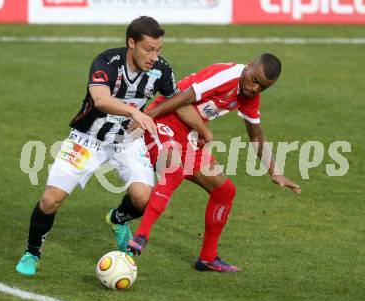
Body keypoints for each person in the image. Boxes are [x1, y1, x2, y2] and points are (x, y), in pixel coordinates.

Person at [15, 16, 178, 276]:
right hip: (87, 140)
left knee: (143, 198)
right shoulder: (107, 62)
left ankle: (117, 219)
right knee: (50, 200)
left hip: (127, 142)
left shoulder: (161, 70)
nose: (154, 56)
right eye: (148, 49)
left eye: (158, 50)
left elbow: (177, 100)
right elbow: (101, 100)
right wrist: (134, 113)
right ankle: (32, 252)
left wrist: (201, 131)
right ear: (131, 43)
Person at [123, 53, 302, 272]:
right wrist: (149, 116)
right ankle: (141, 236)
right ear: (249, 66)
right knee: (175, 169)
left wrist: (275, 171)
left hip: (190, 135)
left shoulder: (249, 96)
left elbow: (255, 135)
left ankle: (208, 258)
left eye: (262, 87)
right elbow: (182, 97)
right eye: (254, 80)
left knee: (224, 191)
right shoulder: (226, 75)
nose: (255, 89)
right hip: (164, 120)